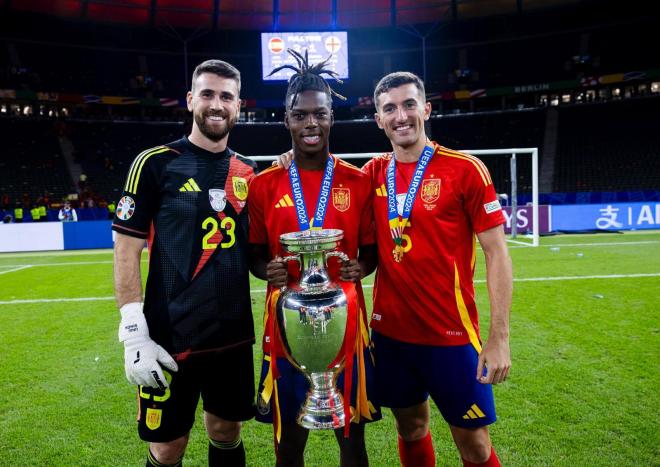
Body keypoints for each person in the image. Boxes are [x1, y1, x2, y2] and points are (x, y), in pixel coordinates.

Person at [362, 72, 512, 467]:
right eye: (389, 108)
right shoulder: (372, 175)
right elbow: (326, 180)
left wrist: (499, 338)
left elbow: (497, 253)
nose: (401, 115)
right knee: (410, 429)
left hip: (452, 336)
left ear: (426, 109)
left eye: (409, 104)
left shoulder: (465, 170)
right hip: (391, 335)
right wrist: (289, 157)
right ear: (378, 119)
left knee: (475, 446)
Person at [112, 59, 257, 467]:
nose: (216, 104)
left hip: (232, 337)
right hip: (168, 338)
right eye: (208, 94)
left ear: (238, 106)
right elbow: (126, 251)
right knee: (167, 447)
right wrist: (134, 334)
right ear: (191, 99)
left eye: (226, 96)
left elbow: (257, 251)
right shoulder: (155, 163)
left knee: (226, 432)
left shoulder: (249, 171)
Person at [248, 49, 380, 467]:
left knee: (351, 441)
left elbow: (373, 249)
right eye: (300, 115)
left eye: (319, 114)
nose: (310, 124)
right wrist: (262, 270)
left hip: (346, 325)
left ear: (331, 118)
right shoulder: (263, 184)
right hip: (287, 329)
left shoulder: (357, 182)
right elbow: (252, 253)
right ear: (286, 120)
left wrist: (364, 266)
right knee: (288, 445)